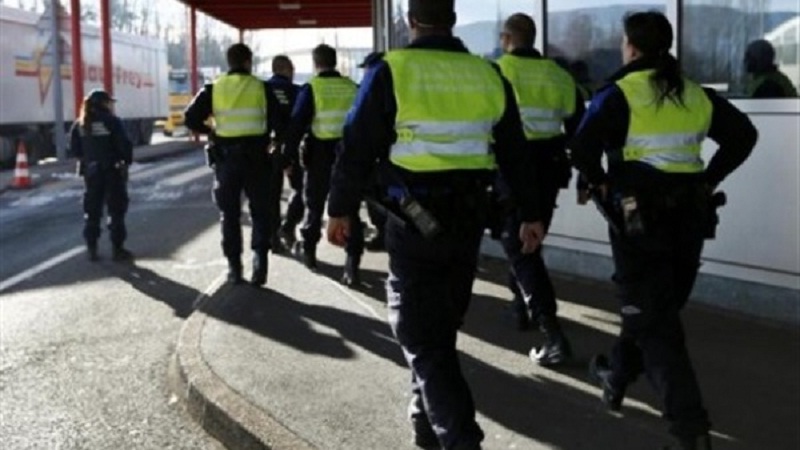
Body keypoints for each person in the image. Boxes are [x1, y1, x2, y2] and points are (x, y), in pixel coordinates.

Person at [326, 0, 545, 447]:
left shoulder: (391, 70)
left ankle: (460, 439)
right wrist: (531, 213)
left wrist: (339, 208)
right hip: (469, 220)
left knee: (421, 335)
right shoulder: (488, 74)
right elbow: (515, 154)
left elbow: (356, 146)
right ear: (453, 20)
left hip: (414, 221)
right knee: (439, 328)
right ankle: (424, 420)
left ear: (411, 21)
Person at [569, 12, 757, 450]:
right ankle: (616, 376)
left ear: (631, 47)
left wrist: (598, 181)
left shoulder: (620, 94)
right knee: (654, 311)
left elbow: (580, 147)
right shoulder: (692, 92)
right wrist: (708, 180)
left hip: (640, 224)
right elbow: (743, 135)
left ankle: (690, 430)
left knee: (655, 325)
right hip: (689, 220)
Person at [496, 13, 586, 366]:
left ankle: (553, 334)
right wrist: (584, 173)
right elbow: (579, 128)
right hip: (549, 167)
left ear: (507, 38)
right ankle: (521, 307)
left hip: (512, 167)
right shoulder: (560, 75)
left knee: (520, 246)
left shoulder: (499, 71)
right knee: (528, 240)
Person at [184, 43, 283, 286]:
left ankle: (234, 268)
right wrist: (273, 140)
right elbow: (281, 121)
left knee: (229, 214)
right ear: (248, 62)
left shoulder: (214, 88)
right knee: (260, 212)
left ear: (229, 62)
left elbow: (190, 118)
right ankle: (260, 261)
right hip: (257, 159)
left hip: (226, 160)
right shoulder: (262, 88)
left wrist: (211, 131)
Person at [282, 44, 362, 284]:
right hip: (349, 156)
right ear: (334, 62)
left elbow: (296, 125)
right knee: (350, 210)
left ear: (315, 63)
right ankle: (352, 265)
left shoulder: (312, 88)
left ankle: (309, 253)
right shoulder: (352, 87)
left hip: (320, 156)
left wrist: (287, 158)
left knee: (314, 205)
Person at [70, 89, 134, 262]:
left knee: (92, 212)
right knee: (116, 211)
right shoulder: (112, 122)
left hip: (91, 173)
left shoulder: (80, 124)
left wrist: (88, 159)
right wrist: (126, 161)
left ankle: (92, 248)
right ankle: (117, 249)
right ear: (104, 104)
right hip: (112, 171)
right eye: (109, 102)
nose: (111, 106)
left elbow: (75, 149)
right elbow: (124, 145)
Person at [266, 55, 301, 254]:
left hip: (268, 148)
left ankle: (273, 239)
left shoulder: (263, 89)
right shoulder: (296, 91)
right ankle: (289, 226)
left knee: (272, 195)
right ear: (285, 69)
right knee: (299, 190)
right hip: (293, 147)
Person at [358, 51, 389, 252]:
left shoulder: (370, 89)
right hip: (391, 154)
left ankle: (384, 234)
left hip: (375, 154)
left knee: (375, 196)